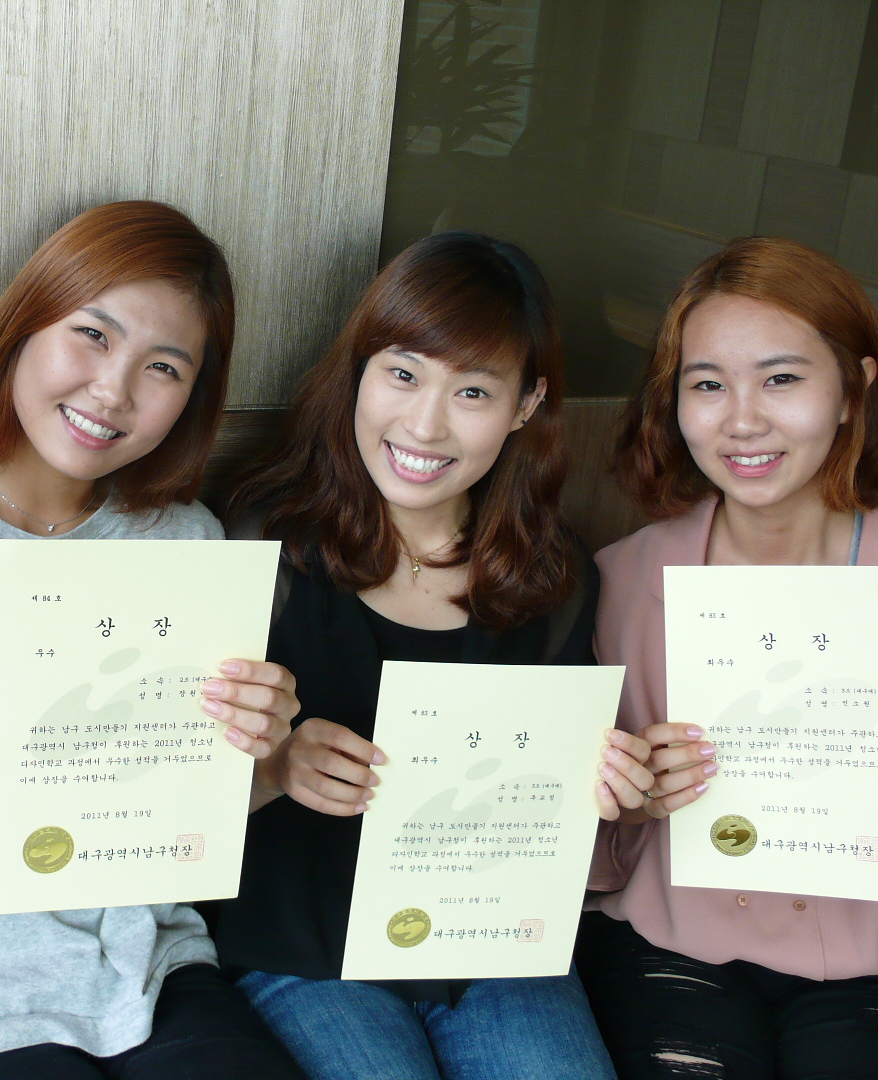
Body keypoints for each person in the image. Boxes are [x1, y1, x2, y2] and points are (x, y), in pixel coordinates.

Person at [0, 201, 307, 1080]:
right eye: (92, 335)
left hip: (148, 968)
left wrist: (263, 758)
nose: (114, 391)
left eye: (163, 367)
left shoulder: (187, 540)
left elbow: (179, 816)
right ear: (21, 329)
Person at [576, 236, 878, 1080]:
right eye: (707, 385)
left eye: (782, 379)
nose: (742, 419)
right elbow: (572, 810)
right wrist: (628, 801)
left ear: (853, 389)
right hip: (667, 939)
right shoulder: (623, 583)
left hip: (864, 954)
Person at [205, 232, 618, 1080]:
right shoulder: (256, 541)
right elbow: (169, 795)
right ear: (360, 370)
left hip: (491, 943)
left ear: (527, 405)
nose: (425, 424)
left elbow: (553, 800)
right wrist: (276, 767)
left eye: (473, 391)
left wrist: (611, 785)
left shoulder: (557, 578)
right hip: (299, 949)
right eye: (402, 374)